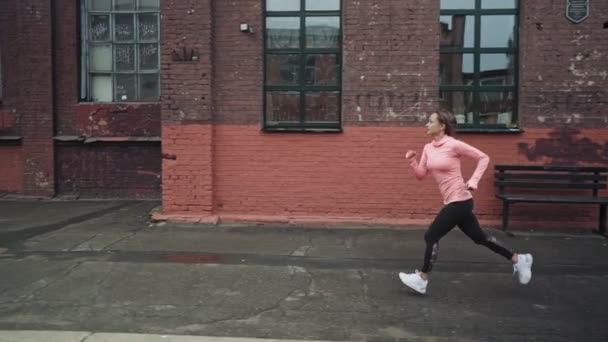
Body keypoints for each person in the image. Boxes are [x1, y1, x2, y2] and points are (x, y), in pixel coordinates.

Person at [400, 110, 533, 294]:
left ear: (442, 126)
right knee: (480, 238)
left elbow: (483, 158)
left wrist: (474, 180)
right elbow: (421, 176)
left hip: (460, 201)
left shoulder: (453, 145)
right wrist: (413, 161)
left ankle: (422, 278)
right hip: (453, 201)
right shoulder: (428, 148)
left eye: (430, 121)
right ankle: (518, 259)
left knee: (431, 235)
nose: (426, 125)